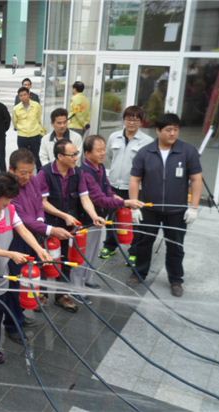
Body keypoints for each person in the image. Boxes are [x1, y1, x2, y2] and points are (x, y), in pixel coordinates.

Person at [0, 173, 49, 367]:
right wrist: (11, 254)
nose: (9, 203)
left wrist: (39, 249)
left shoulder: (10, 210)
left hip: (0, 275)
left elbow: (23, 230)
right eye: (6, 199)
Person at [129, 113, 203, 297]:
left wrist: (194, 207)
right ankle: (139, 272)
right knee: (144, 242)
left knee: (176, 245)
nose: (173, 133)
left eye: (176, 129)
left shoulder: (188, 151)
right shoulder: (145, 152)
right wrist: (135, 206)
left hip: (176, 210)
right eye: (168, 129)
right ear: (158, 131)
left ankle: (176, 279)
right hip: (149, 209)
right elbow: (134, 179)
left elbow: (196, 179)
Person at [5, 149, 71, 342]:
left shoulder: (34, 181)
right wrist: (48, 229)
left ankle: (20, 315)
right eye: (22, 172)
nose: (27, 177)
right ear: (11, 170)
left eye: (30, 171)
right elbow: (23, 219)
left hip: (34, 236)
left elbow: (38, 206)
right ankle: (11, 324)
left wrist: (42, 225)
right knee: (15, 281)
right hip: (15, 239)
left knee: (28, 278)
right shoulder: (8, 189)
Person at [75, 135, 144, 300]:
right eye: (98, 150)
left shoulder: (100, 168)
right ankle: (76, 288)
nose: (102, 153)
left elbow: (106, 190)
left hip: (99, 217)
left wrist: (116, 197)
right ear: (87, 153)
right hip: (85, 219)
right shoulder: (85, 172)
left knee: (92, 251)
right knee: (81, 254)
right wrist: (125, 202)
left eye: (103, 149)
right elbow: (98, 198)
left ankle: (88, 279)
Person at [38, 139, 105, 309]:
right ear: (60, 156)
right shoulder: (45, 173)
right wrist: (62, 215)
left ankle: (63, 295)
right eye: (73, 154)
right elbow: (43, 202)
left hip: (71, 225)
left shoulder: (77, 173)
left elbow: (84, 197)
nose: (76, 157)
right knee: (48, 258)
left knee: (68, 259)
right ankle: (43, 294)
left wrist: (94, 215)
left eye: (77, 153)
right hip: (51, 225)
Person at [99, 106, 153, 263]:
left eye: (136, 120)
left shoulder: (147, 142)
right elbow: (109, 156)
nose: (132, 123)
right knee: (113, 218)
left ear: (141, 122)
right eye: (129, 119)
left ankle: (134, 250)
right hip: (114, 185)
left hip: (135, 188)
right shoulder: (114, 137)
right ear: (124, 120)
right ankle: (110, 245)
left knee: (135, 220)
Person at [12, 86, 45, 170]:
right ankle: (24, 173)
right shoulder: (16, 108)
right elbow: (15, 122)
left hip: (35, 134)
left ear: (29, 95)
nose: (23, 97)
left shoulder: (36, 105)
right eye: (21, 95)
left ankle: (40, 174)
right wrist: (20, 128)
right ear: (19, 97)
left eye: (25, 94)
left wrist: (40, 130)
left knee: (36, 156)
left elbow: (39, 118)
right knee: (23, 157)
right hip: (22, 135)